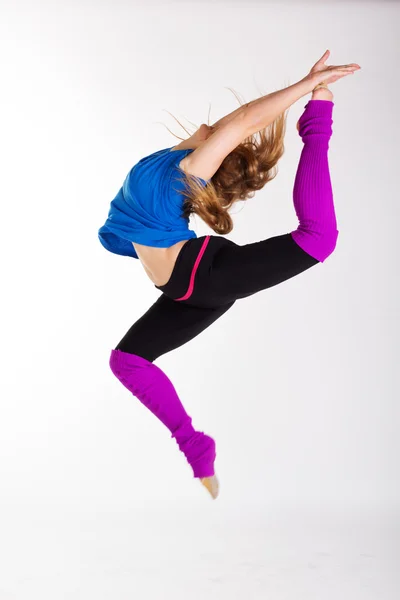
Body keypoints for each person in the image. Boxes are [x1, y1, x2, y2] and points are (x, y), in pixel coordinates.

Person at [98, 50, 361, 499]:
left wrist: (311, 93)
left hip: (205, 276)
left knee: (320, 238)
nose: (216, 130)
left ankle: (318, 131)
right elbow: (232, 125)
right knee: (128, 361)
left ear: (211, 159)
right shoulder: (173, 160)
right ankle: (199, 449)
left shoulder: (185, 173)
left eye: (220, 141)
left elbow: (243, 123)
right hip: (189, 289)